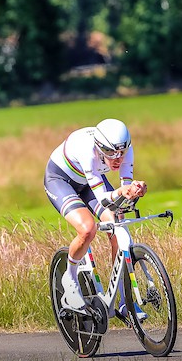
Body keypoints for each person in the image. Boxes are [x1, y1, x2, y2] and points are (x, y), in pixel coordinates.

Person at [44, 118, 147, 318]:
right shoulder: (86, 150)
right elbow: (102, 197)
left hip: (91, 182)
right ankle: (70, 278)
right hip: (61, 181)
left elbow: (124, 186)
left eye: (121, 153)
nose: (117, 159)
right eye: (110, 153)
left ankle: (126, 301)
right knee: (87, 229)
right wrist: (121, 192)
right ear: (99, 148)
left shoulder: (124, 149)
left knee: (120, 229)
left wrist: (134, 189)